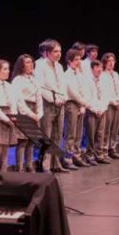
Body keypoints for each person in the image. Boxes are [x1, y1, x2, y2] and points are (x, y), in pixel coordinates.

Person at [33, 39, 68, 172]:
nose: (58, 54)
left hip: (60, 103)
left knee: (58, 134)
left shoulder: (59, 66)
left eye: (59, 51)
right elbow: (40, 87)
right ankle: (44, 164)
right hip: (47, 103)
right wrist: (54, 100)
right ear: (47, 52)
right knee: (46, 135)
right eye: (55, 51)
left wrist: (63, 97)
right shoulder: (40, 65)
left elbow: (63, 84)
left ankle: (56, 163)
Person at [63, 49, 89, 167]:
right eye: (76, 60)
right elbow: (72, 91)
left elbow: (84, 88)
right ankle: (68, 158)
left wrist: (83, 105)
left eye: (79, 59)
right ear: (70, 61)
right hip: (72, 103)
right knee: (71, 133)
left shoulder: (80, 74)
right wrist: (82, 102)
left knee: (79, 132)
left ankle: (76, 156)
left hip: (80, 104)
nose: (79, 62)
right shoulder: (67, 74)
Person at [84, 60, 111, 164]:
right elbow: (87, 97)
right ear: (92, 69)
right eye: (97, 67)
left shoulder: (103, 80)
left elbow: (106, 96)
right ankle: (89, 155)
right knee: (91, 134)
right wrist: (95, 109)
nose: (100, 69)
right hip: (92, 111)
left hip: (102, 110)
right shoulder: (87, 81)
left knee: (100, 134)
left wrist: (103, 108)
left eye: (101, 67)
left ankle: (99, 155)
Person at [101, 53, 119, 159]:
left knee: (115, 128)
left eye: (112, 61)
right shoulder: (102, 74)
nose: (111, 63)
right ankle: (105, 150)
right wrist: (113, 101)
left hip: (117, 104)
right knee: (107, 128)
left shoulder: (115, 74)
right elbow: (104, 91)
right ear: (105, 63)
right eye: (109, 61)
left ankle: (112, 149)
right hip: (109, 104)